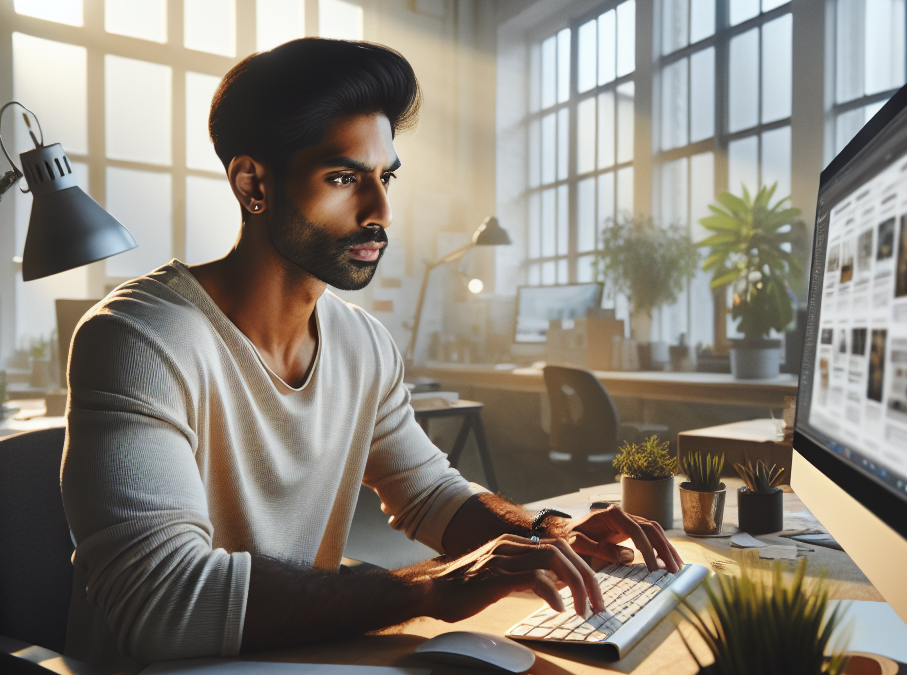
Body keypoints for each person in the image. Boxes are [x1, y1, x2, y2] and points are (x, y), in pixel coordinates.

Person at [60, 38, 682, 671]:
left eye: (385, 177)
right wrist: (436, 587)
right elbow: (166, 608)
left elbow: (430, 493)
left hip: (307, 657)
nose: (380, 210)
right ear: (254, 183)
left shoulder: (363, 342)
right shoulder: (140, 337)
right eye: (343, 178)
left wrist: (546, 534)